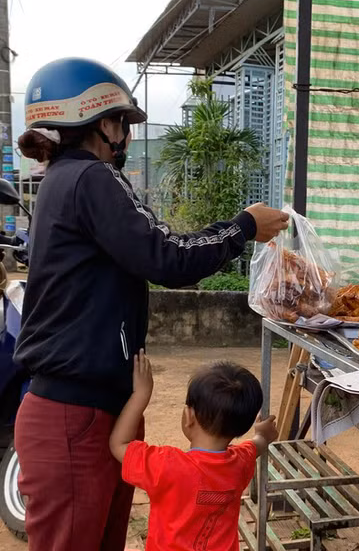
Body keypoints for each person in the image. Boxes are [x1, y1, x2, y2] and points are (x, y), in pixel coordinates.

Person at [13, 57, 289, 550]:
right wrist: (242, 227)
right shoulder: (91, 178)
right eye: (123, 122)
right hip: (75, 417)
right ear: (103, 122)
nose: (126, 135)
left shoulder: (61, 181)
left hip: (88, 410)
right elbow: (167, 257)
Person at [109, 353, 278, 551]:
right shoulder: (240, 463)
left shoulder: (166, 466)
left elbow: (119, 444)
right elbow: (259, 443)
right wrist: (263, 434)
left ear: (189, 416)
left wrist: (140, 395)